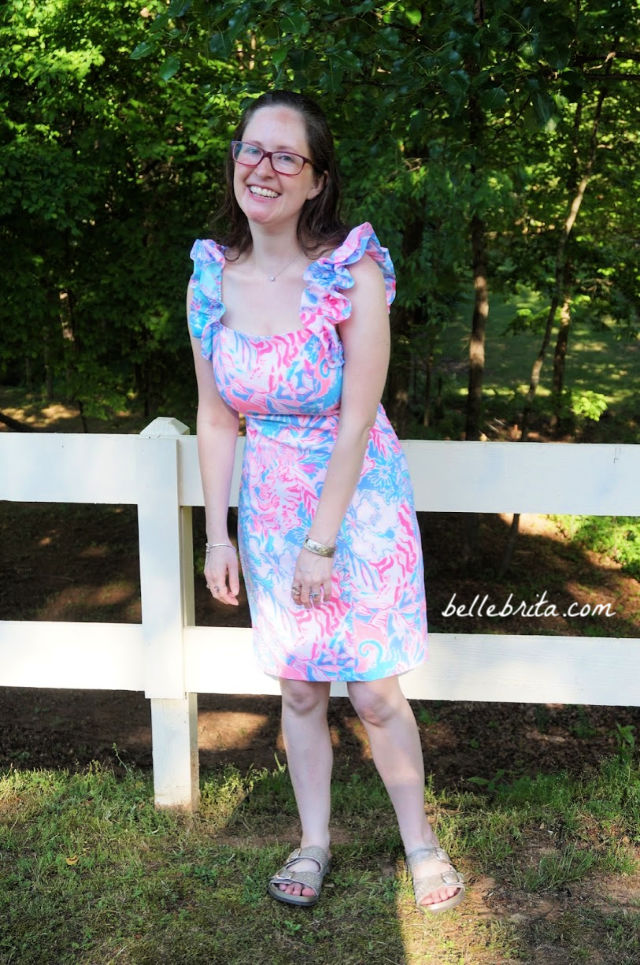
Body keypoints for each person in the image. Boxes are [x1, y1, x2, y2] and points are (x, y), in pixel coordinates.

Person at [187, 90, 465, 913]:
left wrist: (324, 539)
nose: (261, 167)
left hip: (357, 500)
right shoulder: (211, 275)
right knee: (301, 688)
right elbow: (213, 416)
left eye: (285, 156)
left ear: (316, 180)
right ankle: (312, 842)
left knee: (374, 689)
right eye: (250, 149)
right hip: (269, 501)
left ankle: (420, 841)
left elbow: (356, 417)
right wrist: (217, 535)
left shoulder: (354, 269)